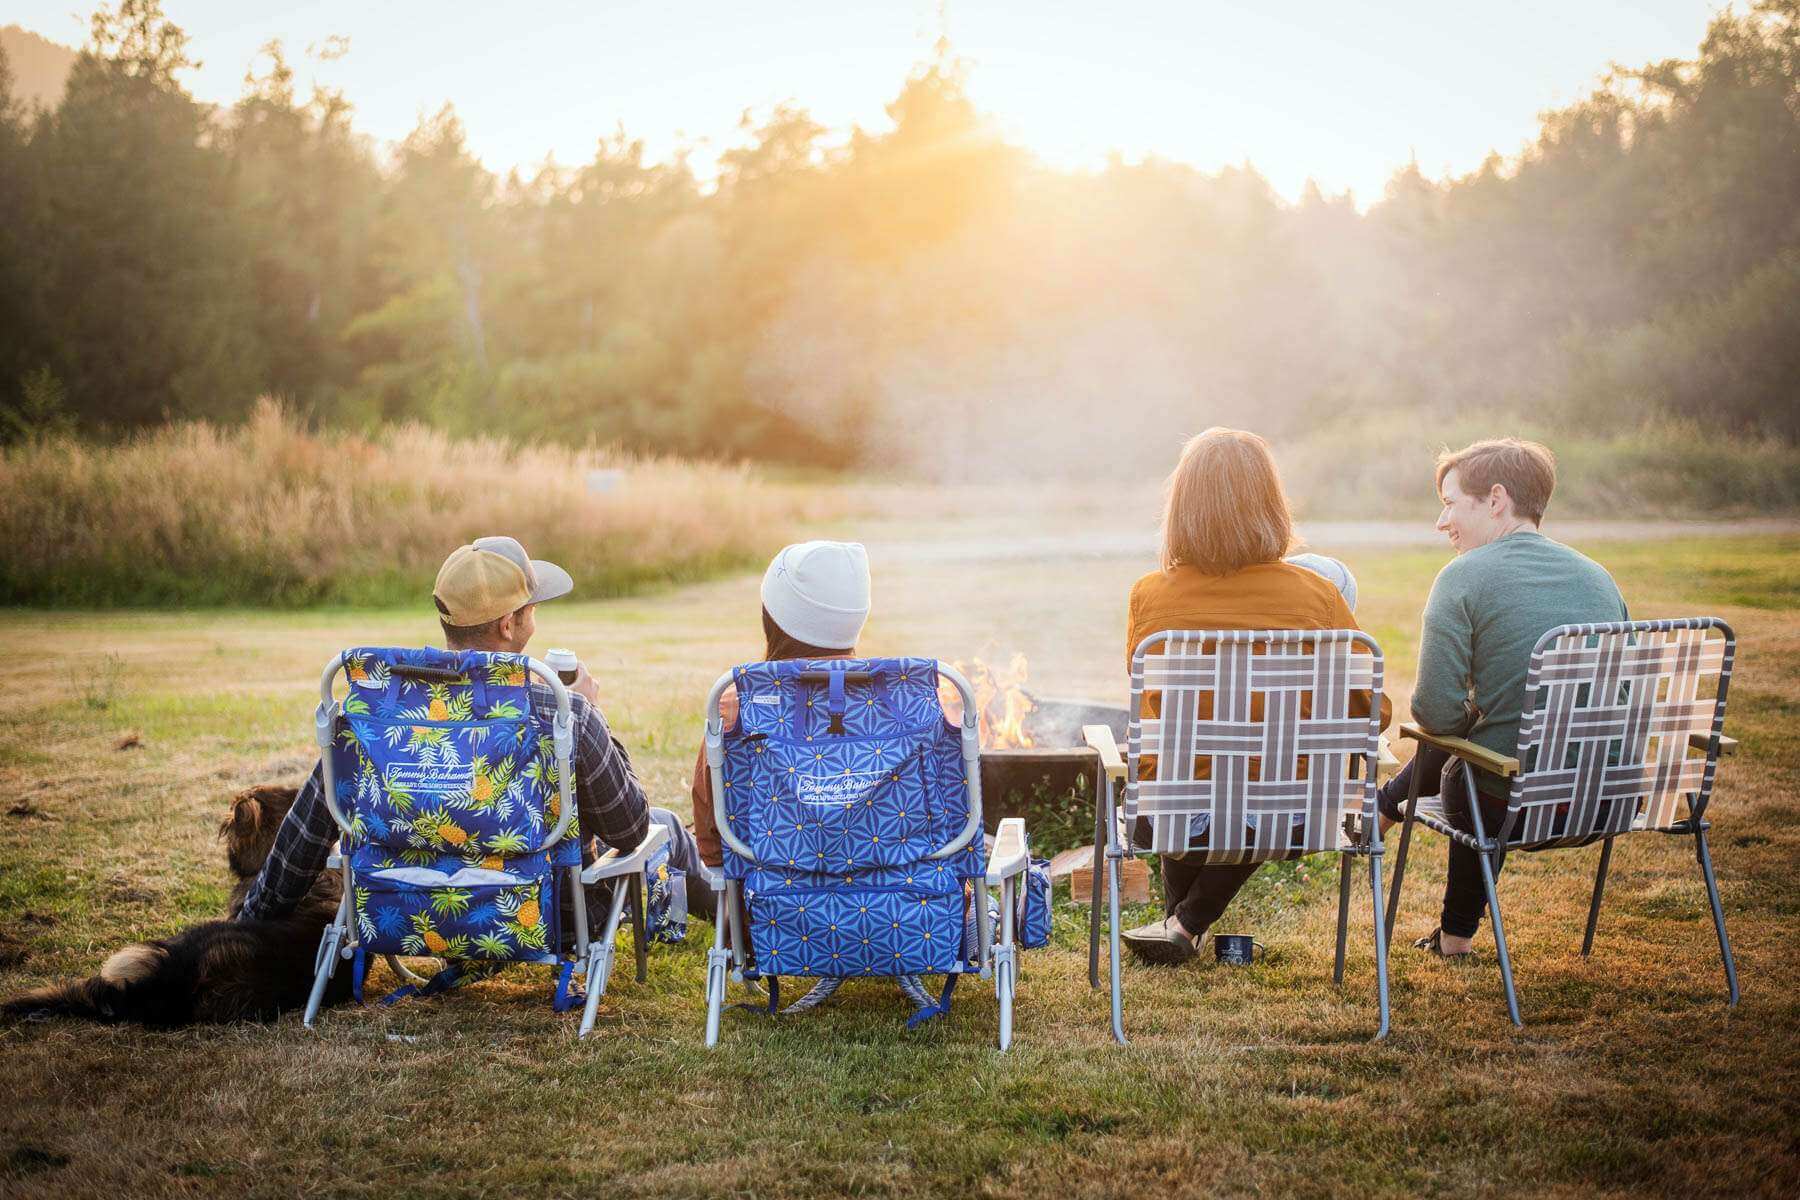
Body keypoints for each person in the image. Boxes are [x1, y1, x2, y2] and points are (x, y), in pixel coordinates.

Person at [237, 535, 711, 941]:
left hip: (398, 909)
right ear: (509, 625)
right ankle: (747, 930)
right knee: (662, 824)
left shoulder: (366, 714)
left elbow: (301, 841)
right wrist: (591, 714)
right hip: (545, 917)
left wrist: (245, 928)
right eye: (531, 606)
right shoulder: (560, 711)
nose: (535, 614)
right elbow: (628, 829)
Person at [1122, 428, 1392, 964]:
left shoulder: (1150, 596)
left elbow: (1152, 707)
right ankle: (1184, 925)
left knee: (1185, 770)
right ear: (1271, 506)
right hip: (1294, 815)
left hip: (1173, 815)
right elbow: (1372, 715)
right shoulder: (1318, 596)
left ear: (1181, 510)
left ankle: (1181, 924)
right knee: (1256, 780)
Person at [1376, 438, 1628, 957]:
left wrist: (1472, 711)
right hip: (1611, 801)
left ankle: (1451, 935)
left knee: (1469, 766)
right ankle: (1387, 817)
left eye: (1449, 504)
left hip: (1514, 807)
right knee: (1487, 744)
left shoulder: (1462, 578)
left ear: (1495, 499)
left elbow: (1436, 714)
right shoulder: (1599, 578)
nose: (1441, 523)